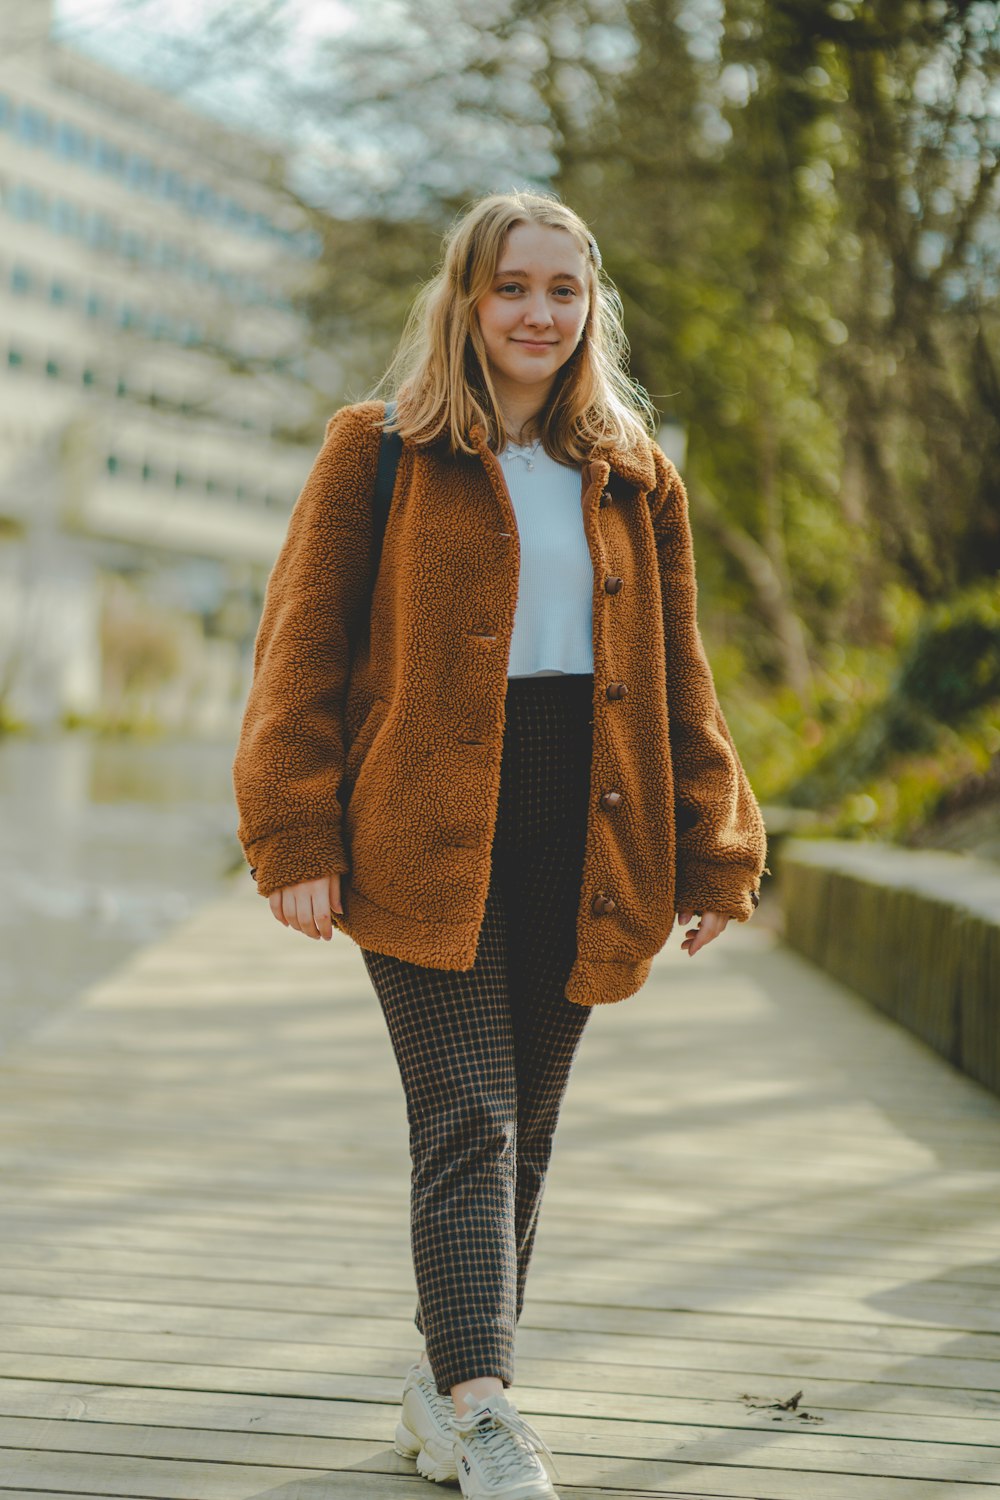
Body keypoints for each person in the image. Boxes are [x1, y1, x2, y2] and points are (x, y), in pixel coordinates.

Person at [232, 188, 767, 1500]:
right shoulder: (380, 449)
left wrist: (717, 845)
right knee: (467, 1108)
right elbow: (297, 651)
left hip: (589, 834)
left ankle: (448, 1381)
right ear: (466, 302)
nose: (538, 312)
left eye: (563, 291)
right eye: (512, 286)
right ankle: (485, 1408)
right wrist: (294, 826)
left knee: (524, 1123)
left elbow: (679, 676)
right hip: (420, 834)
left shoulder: (635, 475)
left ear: (593, 310)